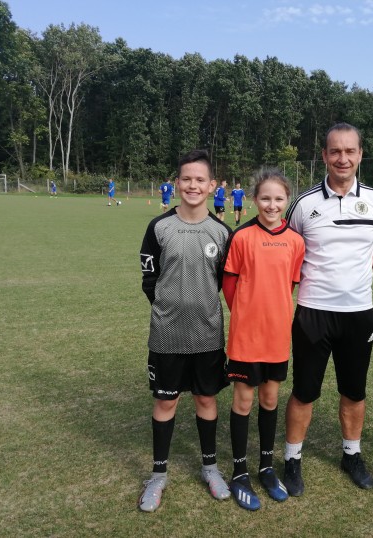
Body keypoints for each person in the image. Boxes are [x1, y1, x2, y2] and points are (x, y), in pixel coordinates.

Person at [282, 122, 373, 496]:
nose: (342, 158)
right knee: (304, 391)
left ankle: (351, 455)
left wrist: (359, 272)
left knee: (354, 391)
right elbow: (288, 251)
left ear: (360, 154)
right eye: (335, 151)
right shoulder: (304, 204)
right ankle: (292, 460)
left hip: (359, 313)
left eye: (349, 151)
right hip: (313, 311)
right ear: (324, 155)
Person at [137, 149, 233, 512]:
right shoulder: (158, 227)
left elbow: (226, 282)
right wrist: (167, 309)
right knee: (166, 400)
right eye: (186, 179)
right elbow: (149, 279)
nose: (193, 185)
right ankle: (157, 475)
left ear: (212, 186)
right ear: (177, 183)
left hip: (207, 334)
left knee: (206, 399)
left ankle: (210, 468)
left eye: (200, 180)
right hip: (167, 335)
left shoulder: (222, 232)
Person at [222, 167, 305, 511]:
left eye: (279, 199)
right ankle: (240, 471)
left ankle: (267, 467)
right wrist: (247, 314)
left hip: (277, 336)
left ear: (287, 201)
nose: (272, 205)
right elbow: (229, 284)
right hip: (246, 336)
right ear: (255, 199)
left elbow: (290, 285)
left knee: (270, 399)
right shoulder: (242, 236)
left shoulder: (296, 241)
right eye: (266, 198)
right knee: (243, 401)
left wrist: (273, 314)